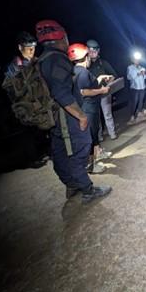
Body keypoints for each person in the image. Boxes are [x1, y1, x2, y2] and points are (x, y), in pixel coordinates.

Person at [35, 19, 111, 204]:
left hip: (52, 116)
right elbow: (61, 92)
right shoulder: (57, 59)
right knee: (81, 148)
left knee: (59, 152)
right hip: (65, 115)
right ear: (61, 36)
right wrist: (81, 115)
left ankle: (71, 184)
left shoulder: (42, 59)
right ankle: (87, 189)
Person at [68, 43, 111, 174]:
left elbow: (87, 86)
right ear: (85, 57)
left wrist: (99, 78)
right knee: (91, 136)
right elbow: (84, 91)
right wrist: (102, 90)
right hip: (89, 108)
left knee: (94, 132)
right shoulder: (83, 72)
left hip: (89, 107)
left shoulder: (76, 71)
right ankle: (91, 166)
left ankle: (97, 154)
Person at [87, 39, 119, 140]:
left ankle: (112, 133)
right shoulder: (86, 65)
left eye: (95, 51)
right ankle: (99, 136)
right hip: (92, 94)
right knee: (96, 117)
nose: (93, 53)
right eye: (91, 51)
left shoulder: (102, 62)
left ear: (98, 51)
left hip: (104, 93)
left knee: (107, 114)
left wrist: (109, 82)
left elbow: (114, 75)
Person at [126, 51, 146, 124]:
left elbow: (144, 78)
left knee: (141, 101)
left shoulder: (142, 68)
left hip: (142, 87)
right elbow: (128, 77)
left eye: (138, 60)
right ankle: (132, 116)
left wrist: (144, 74)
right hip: (135, 88)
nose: (137, 61)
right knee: (134, 102)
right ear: (132, 60)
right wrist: (137, 74)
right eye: (135, 59)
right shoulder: (130, 67)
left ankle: (139, 114)